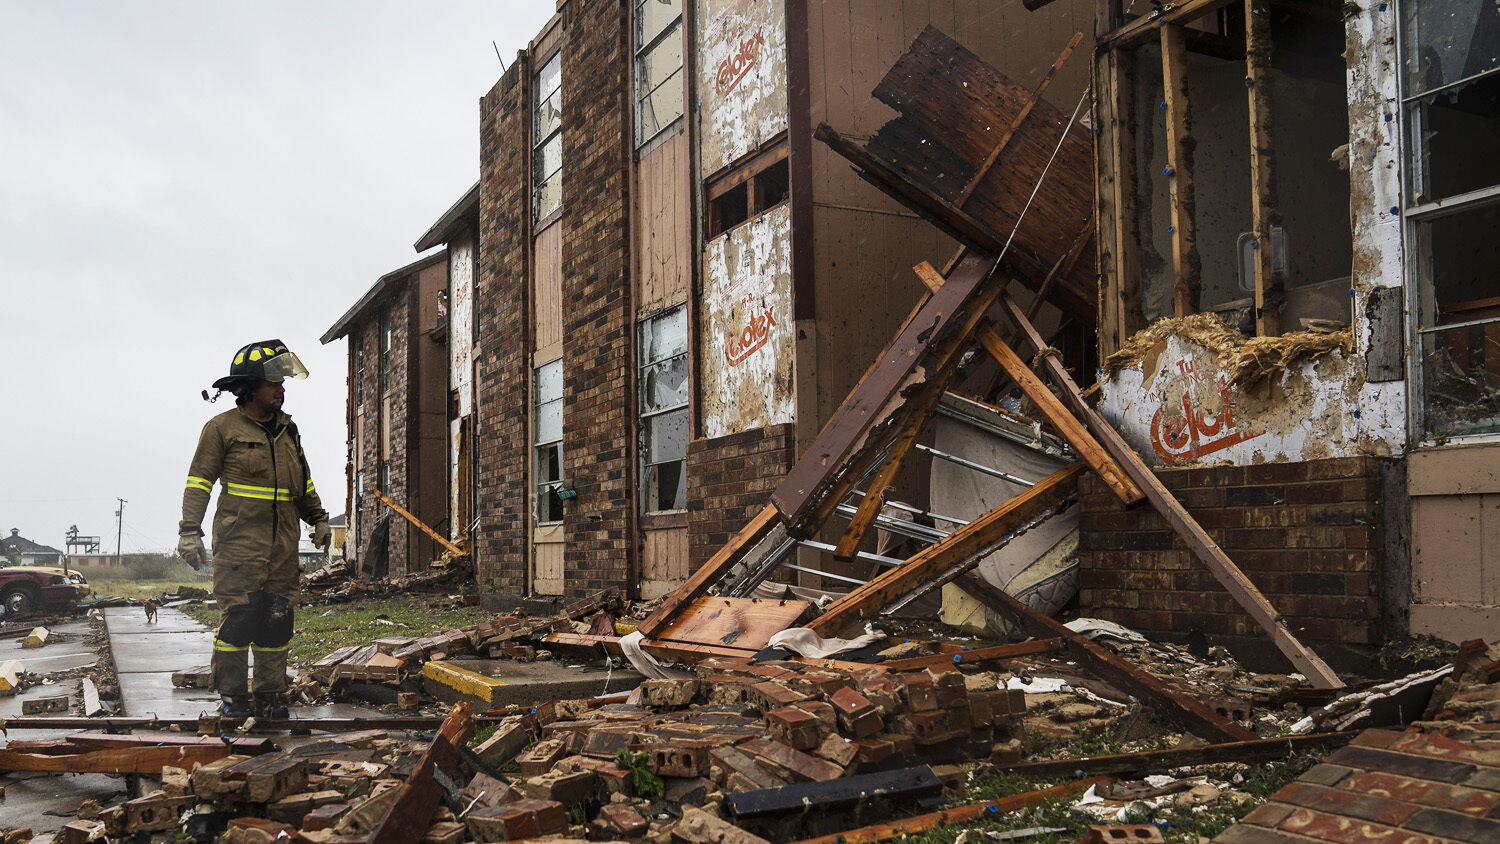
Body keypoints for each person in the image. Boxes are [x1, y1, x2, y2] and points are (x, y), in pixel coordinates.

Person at [177, 340, 330, 719]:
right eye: (274, 382)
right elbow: (199, 482)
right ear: (250, 388)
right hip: (239, 546)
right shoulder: (221, 429)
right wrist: (188, 530)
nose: (282, 388)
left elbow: (303, 483)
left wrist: (320, 518)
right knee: (242, 619)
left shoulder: (288, 430)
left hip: (282, 547)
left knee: (277, 621)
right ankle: (231, 697)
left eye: (282, 382)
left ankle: (269, 696)